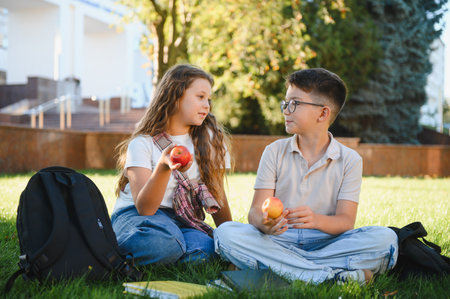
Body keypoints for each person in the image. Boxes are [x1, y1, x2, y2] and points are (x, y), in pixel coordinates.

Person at [214, 68, 398, 285]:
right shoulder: (274, 151)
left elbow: (346, 222)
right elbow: (255, 212)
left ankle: (275, 267)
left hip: (327, 242)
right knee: (226, 233)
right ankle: (326, 276)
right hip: (278, 240)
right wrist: (265, 224)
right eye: (285, 103)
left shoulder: (350, 160)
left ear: (323, 113)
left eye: (295, 103)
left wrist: (316, 220)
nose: (285, 110)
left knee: (386, 240)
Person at [111, 64, 232, 266]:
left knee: (208, 250)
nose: (207, 105)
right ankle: (112, 251)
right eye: (200, 97)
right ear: (175, 97)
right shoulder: (142, 144)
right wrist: (164, 167)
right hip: (137, 218)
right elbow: (145, 208)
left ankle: (167, 253)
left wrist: (231, 241)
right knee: (163, 243)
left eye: (208, 99)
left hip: (182, 220)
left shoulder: (210, 141)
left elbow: (217, 193)